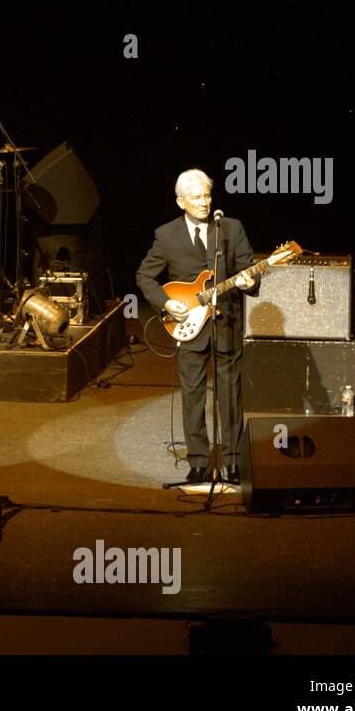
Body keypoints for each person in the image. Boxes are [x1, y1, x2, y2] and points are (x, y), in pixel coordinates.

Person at [136, 169, 258, 484]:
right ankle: (199, 461)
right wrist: (165, 303)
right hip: (188, 325)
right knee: (192, 395)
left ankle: (232, 461)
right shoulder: (166, 235)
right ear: (181, 202)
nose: (204, 203)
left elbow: (247, 270)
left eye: (207, 196)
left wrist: (249, 282)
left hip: (226, 323)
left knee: (230, 395)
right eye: (196, 198)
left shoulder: (232, 228)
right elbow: (144, 276)